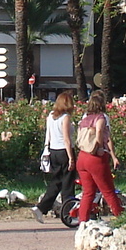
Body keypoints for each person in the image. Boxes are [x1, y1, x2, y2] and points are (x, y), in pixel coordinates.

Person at [70, 93, 123, 227]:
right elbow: (99, 131)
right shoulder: (101, 118)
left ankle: (83, 221)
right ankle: (122, 218)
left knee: (88, 192)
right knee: (108, 190)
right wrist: (99, 146)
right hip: (95, 157)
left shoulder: (85, 119)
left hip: (82, 157)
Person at [33, 93, 77, 224]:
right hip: (64, 151)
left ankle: (41, 208)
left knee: (56, 182)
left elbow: (49, 135)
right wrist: (71, 158)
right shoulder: (66, 117)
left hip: (53, 151)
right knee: (68, 184)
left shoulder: (51, 116)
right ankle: (68, 213)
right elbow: (67, 139)